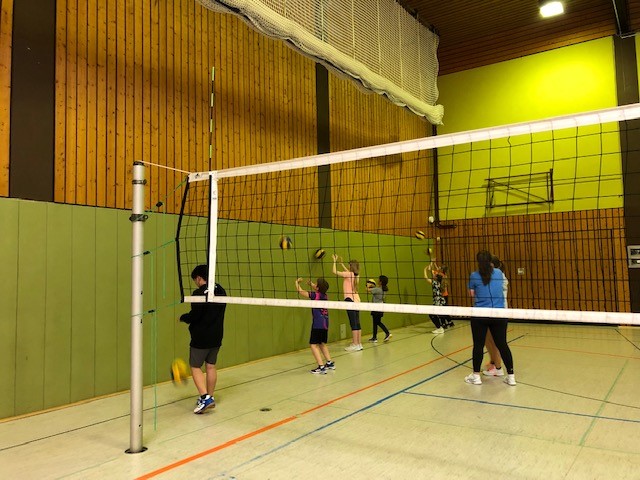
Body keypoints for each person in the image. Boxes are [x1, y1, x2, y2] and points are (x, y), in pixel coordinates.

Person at [179, 264, 227, 414]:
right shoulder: (221, 290)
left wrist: (183, 317)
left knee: (195, 366)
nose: (195, 283)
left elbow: (195, 316)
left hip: (201, 337)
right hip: (217, 335)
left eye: (195, 280)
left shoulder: (198, 293)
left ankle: (205, 397)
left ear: (199, 278)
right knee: (211, 366)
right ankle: (209, 396)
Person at [466, 250, 516, 386]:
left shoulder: (474, 276)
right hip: (499, 314)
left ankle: (476, 376)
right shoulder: (499, 273)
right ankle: (511, 376)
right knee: (502, 344)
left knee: (478, 345)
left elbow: (472, 294)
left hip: (480, 314)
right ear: (490, 262)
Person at [295, 277, 335, 374]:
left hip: (318, 324)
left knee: (313, 345)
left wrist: (297, 282)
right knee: (322, 343)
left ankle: (321, 366)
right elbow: (319, 289)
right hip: (325, 324)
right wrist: (311, 284)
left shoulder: (314, 295)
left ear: (317, 287)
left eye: (316, 284)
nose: (314, 285)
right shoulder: (325, 296)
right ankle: (329, 363)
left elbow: (301, 291)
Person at [483, 255, 509, 377]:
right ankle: (494, 363)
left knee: (494, 341)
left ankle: (498, 368)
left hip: (496, 312)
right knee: (488, 339)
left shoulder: (498, 277)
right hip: (495, 311)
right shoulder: (498, 276)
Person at [332, 254, 362, 352]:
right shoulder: (356, 275)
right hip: (357, 300)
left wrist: (334, 261)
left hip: (349, 300)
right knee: (357, 322)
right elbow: (348, 272)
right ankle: (359, 344)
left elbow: (334, 271)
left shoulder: (349, 274)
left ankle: (354, 344)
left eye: (349, 265)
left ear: (351, 266)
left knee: (353, 323)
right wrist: (342, 264)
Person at [367, 275, 392, 343]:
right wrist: (372, 285)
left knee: (377, 322)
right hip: (381, 307)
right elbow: (375, 289)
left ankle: (387, 333)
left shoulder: (378, 289)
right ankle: (374, 337)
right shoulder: (383, 289)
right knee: (375, 322)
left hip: (376, 308)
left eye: (378, 279)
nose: (377, 280)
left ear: (380, 282)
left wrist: (368, 284)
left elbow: (368, 290)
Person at [424, 265, 446, 334]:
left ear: (436, 278)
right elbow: (434, 272)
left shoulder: (435, 283)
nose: (434, 275)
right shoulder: (439, 283)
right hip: (440, 300)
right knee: (435, 314)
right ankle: (441, 327)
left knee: (432, 314)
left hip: (438, 301)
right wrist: (431, 266)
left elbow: (426, 277)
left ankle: (440, 328)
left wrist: (425, 269)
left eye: (435, 275)